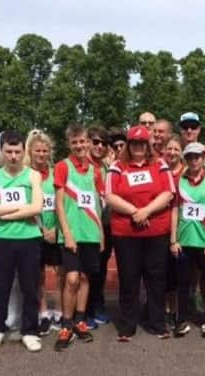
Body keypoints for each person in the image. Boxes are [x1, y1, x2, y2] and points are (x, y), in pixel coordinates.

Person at [106, 125, 175, 342]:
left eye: (142, 143)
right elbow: (109, 195)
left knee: (156, 279)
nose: (138, 147)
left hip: (156, 231)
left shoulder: (160, 164)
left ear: (148, 146)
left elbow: (168, 192)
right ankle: (127, 325)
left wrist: (147, 210)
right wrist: (134, 211)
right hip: (126, 233)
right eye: (134, 143)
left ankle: (157, 323)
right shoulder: (118, 166)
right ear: (129, 144)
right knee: (129, 278)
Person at [0, 130, 44, 352]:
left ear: (23, 151)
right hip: (2, 239)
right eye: (9, 151)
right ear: (1, 151)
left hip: (29, 238)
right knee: (0, 287)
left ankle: (30, 331)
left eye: (18, 151)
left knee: (30, 287)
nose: (14, 156)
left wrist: (4, 214)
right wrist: (20, 210)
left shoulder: (33, 176)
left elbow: (37, 207)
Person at [53, 123, 104, 351]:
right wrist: (67, 233)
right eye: (75, 142)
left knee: (84, 279)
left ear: (88, 142)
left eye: (83, 141)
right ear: (69, 144)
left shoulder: (95, 170)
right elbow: (59, 204)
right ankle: (66, 323)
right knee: (71, 279)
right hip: (72, 234)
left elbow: (98, 204)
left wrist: (101, 233)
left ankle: (81, 321)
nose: (80, 146)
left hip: (91, 233)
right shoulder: (63, 167)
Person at [170, 142, 205, 338]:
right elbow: (175, 210)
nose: (193, 161)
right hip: (184, 242)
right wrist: (173, 239)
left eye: (197, 157)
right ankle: (181, 320)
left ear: (204, 158)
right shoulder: (180, 180)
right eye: (190, 157)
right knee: (182, 283)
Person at [24, 129, 63, 335]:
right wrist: (41, 228)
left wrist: (54, 228)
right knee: (37, 275)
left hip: (55, 231)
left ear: (50, 152)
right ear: (30, 151)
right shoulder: (27, 175)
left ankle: (58, 310)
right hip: (34, 231)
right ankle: (43, 313)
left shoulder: (56, 173)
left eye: (44, 151)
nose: (41, 154)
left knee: (58, 273)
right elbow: (27, 204)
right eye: (37, 151)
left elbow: (62, 203)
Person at [87, 125, 112, 327]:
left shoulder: (105, 167)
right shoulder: (81, 166)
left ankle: (97, 304)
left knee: (101, 269)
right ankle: (85, 310)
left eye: (104, 143)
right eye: (96, 142)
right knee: (88, 270)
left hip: (105, 225)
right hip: (87, 226)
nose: (100, 146)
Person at [163, 135, 185, 328]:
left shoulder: (186, 173)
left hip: (183, 229)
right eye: (169, 149)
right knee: (163, 271)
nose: (172, 152)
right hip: (161, 226)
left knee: (179, 272)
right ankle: (166, 309)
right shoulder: (159, 171)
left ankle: (178, 309)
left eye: (176, 149)